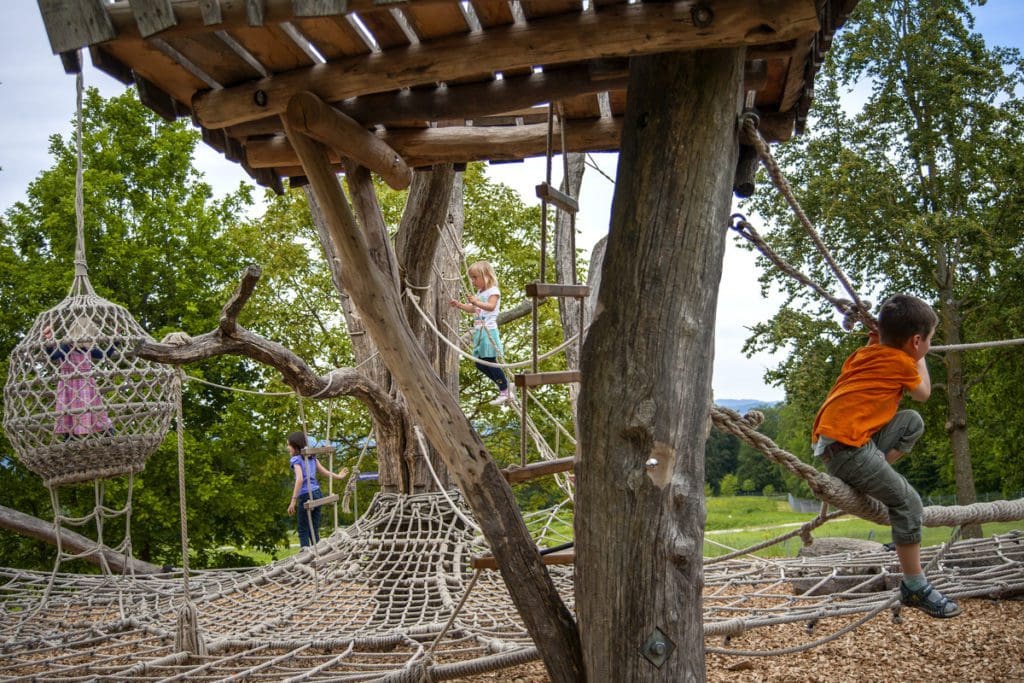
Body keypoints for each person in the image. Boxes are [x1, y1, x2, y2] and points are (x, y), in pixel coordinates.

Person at [811, 294, 961, 618]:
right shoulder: (901, 362)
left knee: (911, 423)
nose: (930, 347)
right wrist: (918, 355)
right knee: (909, 503)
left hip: (845, 443)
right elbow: (923, 392)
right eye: (929, 341)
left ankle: (873, 474)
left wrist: (890, 339)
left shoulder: (866, 353)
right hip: (848, 450)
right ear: (916, 341)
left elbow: (899, 362)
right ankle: (914, 585)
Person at [449, 260, 510, 406]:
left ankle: (505, 389)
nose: (473, 281)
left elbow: (490, 306)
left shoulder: (493, 291)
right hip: (479, 331)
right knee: (480, 364)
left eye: (475, 278)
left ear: (487, 276)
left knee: (490, 361)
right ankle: (505, 386)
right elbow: (473, 309)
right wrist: (460, 305)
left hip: (488, 331)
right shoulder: (479, 293)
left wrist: (476, 302)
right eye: (472, 278)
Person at [44, 316, 116, 439]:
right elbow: (53, 356)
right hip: (70, 386)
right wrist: (50, 341)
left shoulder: (87, 350)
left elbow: (106, 354)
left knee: (97, 412)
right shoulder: (67, 347)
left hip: (87, 387)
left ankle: (108, 436)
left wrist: (116, 337)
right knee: (69, 414)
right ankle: (70, 438)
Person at [286, 431, 349, 548]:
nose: (287, 448)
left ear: (295, 446)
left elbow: (299, 479)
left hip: (306, 494)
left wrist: (293, 500)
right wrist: (338, 476)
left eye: (289, 445)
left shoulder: (296, 460)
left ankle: (305, 552)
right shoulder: (312, 457)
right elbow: (324, 472)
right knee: (313, 527)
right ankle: (317, 549)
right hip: (317, 493)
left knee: (303, 527)